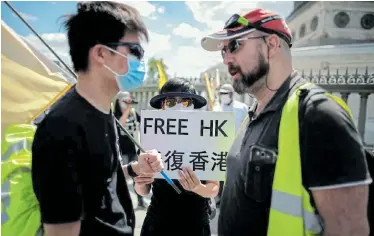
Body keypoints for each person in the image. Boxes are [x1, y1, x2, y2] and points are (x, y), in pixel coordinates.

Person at [201, 8, 371, 236]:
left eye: (234, 46)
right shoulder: (253, 113)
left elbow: (349, 230)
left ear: (271, 44)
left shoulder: (318, 115)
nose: (227, 59)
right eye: (223, 52)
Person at [31, 2, 164, 236]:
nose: (140, 60)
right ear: (101, 53)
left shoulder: (103, 112)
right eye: (134, 50)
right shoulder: (62, 128)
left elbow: (99, 179)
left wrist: (136, 168)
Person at [137, 78, 219, 236]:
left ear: (193, 106)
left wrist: (197, 187)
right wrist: (140, 183)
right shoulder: (151, 137)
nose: (179, 107)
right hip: (158, 225)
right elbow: (143, 190)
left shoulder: (208, 137)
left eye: (185, 102)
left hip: (195, 225)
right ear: (162, 106)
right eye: (171, 102)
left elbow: (213, 189)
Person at [114, 91, 148, 209]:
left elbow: (145, 122)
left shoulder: (134, 113)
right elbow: (120, 126)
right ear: (119, 102)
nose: (128, 104)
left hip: (133, 149)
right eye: (125, 101)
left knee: (136, 175)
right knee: (122, 176)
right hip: (122, 150)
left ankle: (141, 200)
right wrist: (126, 111)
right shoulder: (115, 114)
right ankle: (120, 201)